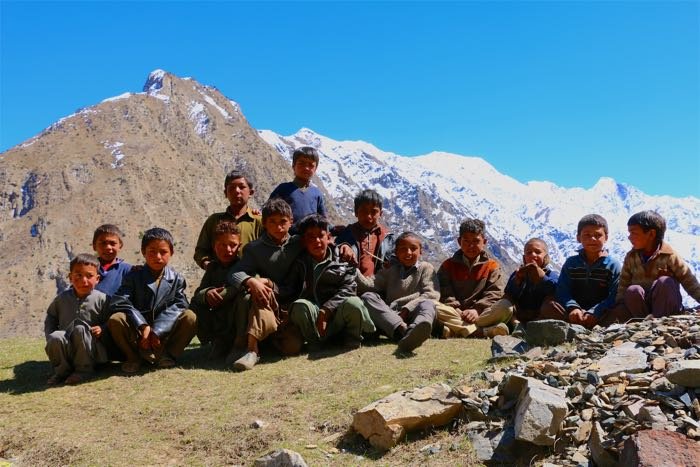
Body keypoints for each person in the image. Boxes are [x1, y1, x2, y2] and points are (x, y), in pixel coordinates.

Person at [226, 198, 305, 371]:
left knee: (292, 348)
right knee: (258, 294)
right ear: (264, 223)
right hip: (266, 302)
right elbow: (234, 273)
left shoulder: (299, 244)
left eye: (283, 222)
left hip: (290, 303)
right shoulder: (254, 249)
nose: (278, 227)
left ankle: (268, 341)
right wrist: (251, 280)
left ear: (291, 222)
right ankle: (251, 350)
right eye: (272, 222)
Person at [108, 228, 197, 373]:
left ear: (171, 253)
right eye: (152, 252)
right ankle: (133, 358)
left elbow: (181, 304)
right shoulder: (133, 276)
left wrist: (158, 330)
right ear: (143, 252)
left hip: (163, 336)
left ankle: (167, 355)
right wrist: (142, 325)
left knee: (190, 317)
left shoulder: (176, 279)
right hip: (138, 336)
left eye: (163, 252)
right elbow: (119, 300)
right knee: (116, 319)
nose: (158, 257)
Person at [286, 214, 376, 352]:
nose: (317, 241)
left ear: (328, 237)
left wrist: (326, 310)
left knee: (354, 303)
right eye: (311, 237)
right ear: (304, 240)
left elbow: (350, 288)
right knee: (300, 306)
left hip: (337, 313)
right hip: (314, 315)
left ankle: (352, 340)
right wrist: (269, 285)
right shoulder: (300, 262)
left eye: (320, 236)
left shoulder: (343, 257)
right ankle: (315, 342)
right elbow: (289, 289)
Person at [358, 232, 438, 352]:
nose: (408, 253)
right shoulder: (390, 270)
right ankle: (404, 331)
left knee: (428, 304)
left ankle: (419, 329)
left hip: (414, 313)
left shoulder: (426, 268)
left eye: (413, 249)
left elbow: (431, 294)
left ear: (421, 251)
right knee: (368, 296)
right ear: (396, 252)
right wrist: (354, 270)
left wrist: (407, 309)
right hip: (393, 316)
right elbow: (370, 285)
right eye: (403, 249)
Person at [541, 214, 622, 328]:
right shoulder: (571, 263)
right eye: (587, 235)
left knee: (621, 309)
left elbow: (614, 295)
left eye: (598, 235)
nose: (592, 239)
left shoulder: (613, 265)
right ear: (578, 237)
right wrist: (573, 307)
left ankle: (585, 326)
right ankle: (576, 324)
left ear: (606, 237)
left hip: (600, 313)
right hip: (573, 312)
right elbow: (563, 290)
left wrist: (595, 311)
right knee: (549, 305)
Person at [436, 218, 512, 338]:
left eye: (476, 241)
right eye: (466, 241)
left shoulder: (492, 266)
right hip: (456, 312)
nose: (471, 246)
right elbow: (444, 292)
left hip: (481, 314)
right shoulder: (448, 265)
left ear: (484, 242)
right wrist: (457, 309)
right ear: (459, 241)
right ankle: (482, 332)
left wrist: (477, 310)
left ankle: (456, 330)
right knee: (432, 305)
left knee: (506, 306)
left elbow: (495, 293)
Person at [616, 210, 700, 318]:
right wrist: (619, 305)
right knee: (633, 290)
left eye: (634, 233)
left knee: (665, 282)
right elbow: (623, 284)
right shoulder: (631, 257)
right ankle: (642, 323)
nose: (629, 237)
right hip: (643, 309)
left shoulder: (669, 256)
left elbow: (689, 282)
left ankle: (661, 321)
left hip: (667, 308)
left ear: (651, 234)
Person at [44, 254, 110, 385]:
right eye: (78, 275)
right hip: (67, 348)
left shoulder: (103, 299)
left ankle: (84, 371)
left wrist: (103, 328)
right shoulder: (61, 299)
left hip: (92, 350)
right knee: (56, 336)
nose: (83, 280)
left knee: (80, 329)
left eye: (89, 276)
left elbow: (111, 321)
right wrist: (49, 336)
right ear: (70, 278)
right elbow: (51, 318)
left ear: (97, 279)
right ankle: (61, 372)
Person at [190, 221, 241, 359]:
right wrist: (207, 293)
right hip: (218, 316)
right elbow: (198, 293)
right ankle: (213, 342)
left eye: (232, 245)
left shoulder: (243, 265)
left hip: (235, 316)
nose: (228, 250)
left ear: (239, 246)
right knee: (194, 304)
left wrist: (223, 294)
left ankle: (239, 344)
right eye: (222, 245)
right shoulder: (213, 268)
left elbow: (243, 285)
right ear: (214, 247)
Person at [194, 171, 262, 270]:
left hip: (250, 279)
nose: (237, 191)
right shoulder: (214, 221)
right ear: (225, 193)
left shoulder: (259, 222)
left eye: (241, 187)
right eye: (232, 188)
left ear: (251, 192)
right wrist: (207, 264)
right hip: (218, 280)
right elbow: (201, 250)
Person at [336, 189, 395, 277]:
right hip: (350, 284)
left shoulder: (387, 238)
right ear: (356, 212)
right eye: (364, 211)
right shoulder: (347, 233)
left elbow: (396, 261)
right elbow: (333, 253)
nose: (368, 216)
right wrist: (342, 247)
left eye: (374, 212)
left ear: (380, 214)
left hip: (378, 286)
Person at [503, 238, 559, 324]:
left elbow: (556, 290)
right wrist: (517, 280)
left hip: (540, 314)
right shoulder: (518, 273)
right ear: (524, 258)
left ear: (546, 258)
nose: (533, 255)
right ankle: (515, 324)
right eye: (529, 253)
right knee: (506, 300)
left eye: (538, 252)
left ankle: (534, 325)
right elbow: (508, 292)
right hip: (519, 313)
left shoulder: (550, 274)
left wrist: (542, 278)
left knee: (552, 302)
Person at [268, 146, 327, 224]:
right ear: (293, 166)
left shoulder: (317, 193)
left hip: (310, 235)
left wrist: (334, 229)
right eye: (301, 163)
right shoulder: (283, 189)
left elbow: (323, 220)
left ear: (315, 169)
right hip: (286, 235)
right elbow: (268, 211)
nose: (306, 168)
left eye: (310, 165)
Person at [92, 224, 131, 296]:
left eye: (113, 243)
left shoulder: (128, 271)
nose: (108, 247)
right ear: (94, 246)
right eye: (103, 243)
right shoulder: (89, 268)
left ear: (120, 246)